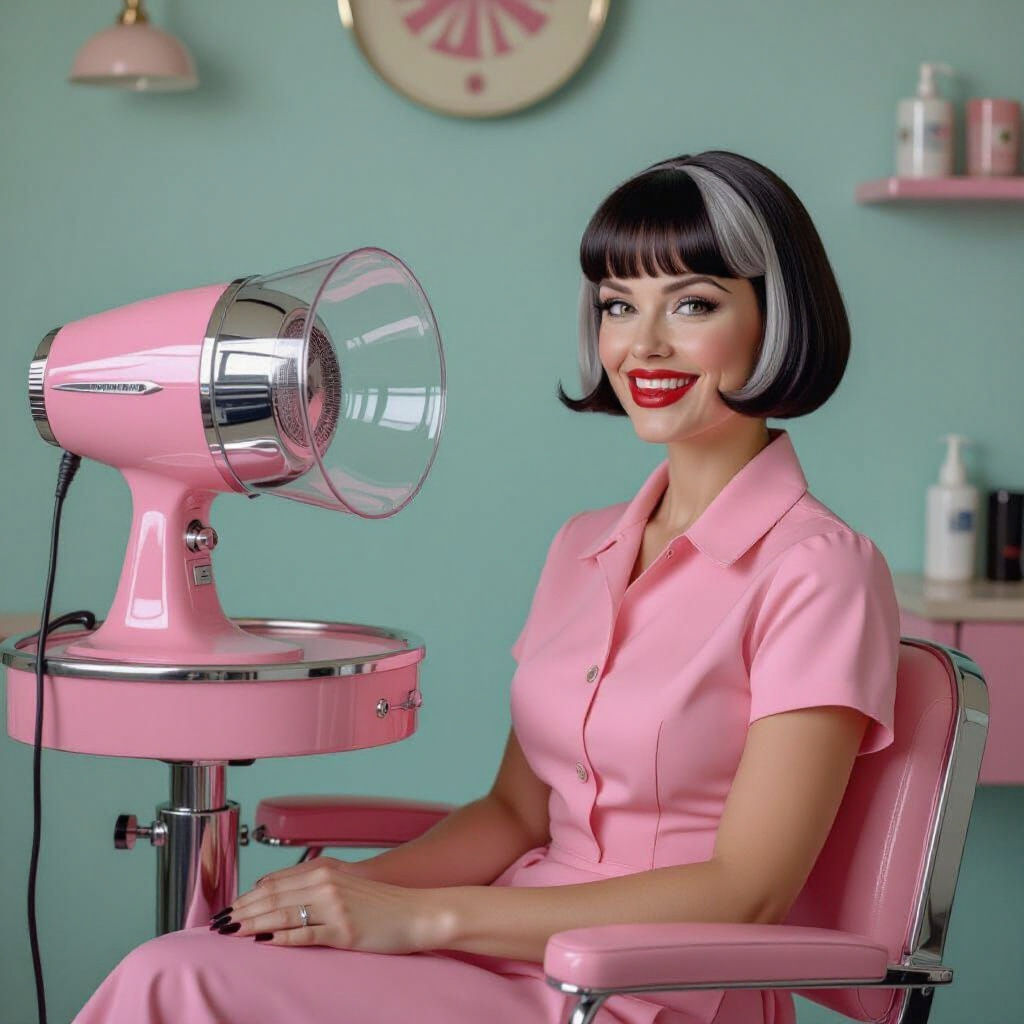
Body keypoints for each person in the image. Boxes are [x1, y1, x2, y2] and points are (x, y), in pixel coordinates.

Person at [72, 150, 900, 1024]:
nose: (643, 345)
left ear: (776, 321)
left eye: (693, 303)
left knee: (177, 982)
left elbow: (749, 894)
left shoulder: (820, 569)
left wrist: (425, 915)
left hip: (654, 991)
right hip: (503, 951)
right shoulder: (585, 546)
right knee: (191, 958)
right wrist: (348, 889)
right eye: (618, 306)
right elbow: (514, 812)